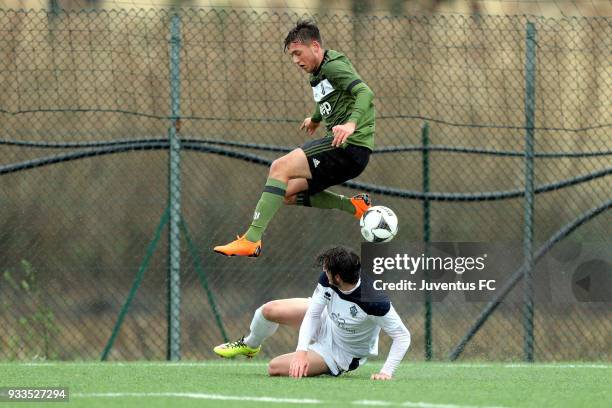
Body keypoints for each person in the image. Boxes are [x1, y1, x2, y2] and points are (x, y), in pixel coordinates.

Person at [214, 20, 376, 257]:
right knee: (286, 193)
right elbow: (330, 97)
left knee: (279, 167)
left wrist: (351, 124)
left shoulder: (332, 67)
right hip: (352, 155)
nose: (295, 60)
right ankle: (353, 206)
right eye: (291, 55)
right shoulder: (320, 72)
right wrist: (316, 117)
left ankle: (251, 240)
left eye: (298, 53)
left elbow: (365, 92)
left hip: (348, 146)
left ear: (315, 47)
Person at [213, 247, 411, 380]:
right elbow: (314, 314)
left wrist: (386, 372)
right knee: (269, 310)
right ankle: (250, 345)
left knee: (274, 367)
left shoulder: (375, 302)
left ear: (339, 277)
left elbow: (402, 336)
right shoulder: (329, 279)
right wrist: (301, 351)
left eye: (327, 271)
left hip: (340, 353)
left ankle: (325, 364)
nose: (323, 272)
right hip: (327, 320)